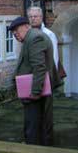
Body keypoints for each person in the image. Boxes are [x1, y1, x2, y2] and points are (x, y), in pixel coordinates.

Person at [10, 16, 60, 146]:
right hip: (35, 88)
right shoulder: (31, 37)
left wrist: (35, 91)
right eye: (13, 32)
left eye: (17, 30)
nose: (15, 34)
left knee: (34, 122)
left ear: (27, 26)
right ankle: (37, 146)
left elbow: (39, 67)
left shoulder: (34, 38)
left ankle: (34, 151)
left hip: (36, 90)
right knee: (36, 121)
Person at [27, 6, 66, 80]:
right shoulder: (27, 34)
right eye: (30, 17)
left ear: (41, 17)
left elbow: (54, 55)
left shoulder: (49, 34)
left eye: (35, 16)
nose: (32, 19)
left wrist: (52, 74)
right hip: (31, 71)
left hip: (45, 70)